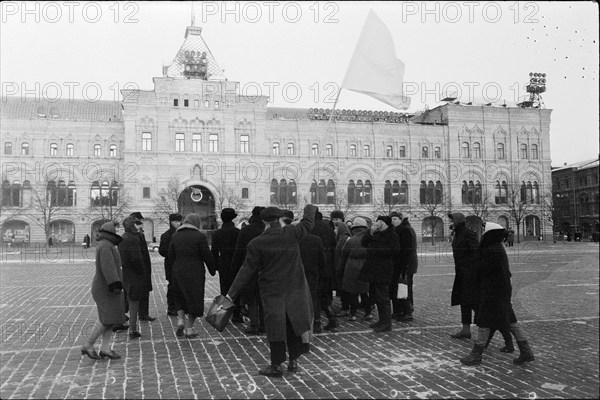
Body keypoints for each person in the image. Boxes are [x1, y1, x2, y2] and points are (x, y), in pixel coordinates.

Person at [227, 204, 316, 377]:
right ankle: (293, 361)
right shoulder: (292, 233)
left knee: (275, 327)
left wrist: (231, 294)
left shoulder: (257, 243)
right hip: (294, 290)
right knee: (293, 324)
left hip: (272, 292)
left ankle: (276, 365)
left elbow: (246, 271)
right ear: (280, 219)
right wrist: (310, 207)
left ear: (264, 222)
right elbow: (308, 222)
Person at [460, 222, 534, 365]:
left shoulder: (492, 250)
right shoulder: (496, 247)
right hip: (501, 291)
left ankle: (476, 354)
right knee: (511, 322)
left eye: (484, 232)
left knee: (484, 321)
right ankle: (526, 351)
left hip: (493, 291)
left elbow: (483, 270)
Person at [81, 221, 125, 360]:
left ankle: (105, 349)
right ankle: (88, 345)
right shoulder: (106, 246)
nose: (118, 231)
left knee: (110, 319)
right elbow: (108, 268)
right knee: (105, 319)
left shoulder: (108, 244)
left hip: (108, 287)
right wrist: (115, 284)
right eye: (116, 229)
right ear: (111, 231)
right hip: (106, 288)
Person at [168, 213, 217, 338]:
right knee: (194, 299)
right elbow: (207, 255)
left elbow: (170, 256)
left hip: (178, 270)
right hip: (195, 271)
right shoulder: (199, 236)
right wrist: (212, 269)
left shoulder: (175, 235)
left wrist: (170, 272)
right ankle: (189, 328)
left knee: (179, 296)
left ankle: (180, 320)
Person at [360, 216, 400, 332]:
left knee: (383, 297)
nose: (378, 224)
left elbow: (395, 250)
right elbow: (364, 242)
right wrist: (370, 231)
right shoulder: (376, 233)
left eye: (380, 222)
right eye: (377, 221)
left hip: (384, 269)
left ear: (385, 223)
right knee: (377, 296)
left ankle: (387, 323)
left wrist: (376, 251)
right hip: (374, 269)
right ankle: (381, 320)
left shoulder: (392, 234)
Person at [231, 206, 266, 334]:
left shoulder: (246, 230)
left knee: (252, 299)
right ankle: (264, 325)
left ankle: (254, 324)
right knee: (263, 298)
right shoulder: (267, 229)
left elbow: (239, 250)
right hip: (266, 268)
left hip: (250, 268)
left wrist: (234, 268)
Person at [448, 213, 480, 340]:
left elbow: (476, 252)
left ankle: (489, 326)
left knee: (474, 302)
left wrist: (470, 267)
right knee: (464, 302)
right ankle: (466, 330)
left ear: (458, 221)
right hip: (461, 273)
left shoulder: (468, 233)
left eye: (452, 220)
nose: (450, 222)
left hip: (470, 274)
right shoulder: (457, 233)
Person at [118, 216, 147, 339]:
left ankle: (124, 324)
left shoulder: (123, 238)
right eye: (136, 224)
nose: (139, 226)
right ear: (131, 225)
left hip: (126, 273)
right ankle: (132, 329)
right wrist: (142, 271)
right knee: (134, 302)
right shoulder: (133, 239)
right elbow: (136, 258)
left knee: (129, 299)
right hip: (134, 275)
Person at [337, 217, 371, 322]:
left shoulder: (351, 240)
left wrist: (339, 269)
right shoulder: (370, 239)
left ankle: (353, 314)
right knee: (364, 292)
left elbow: (343, 256)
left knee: (353, 292)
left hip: (351, 267)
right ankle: (368, 313)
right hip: (366, 267)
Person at [297, 212, 326, 332]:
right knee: (313, 297)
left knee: (299, 299)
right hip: (313, 272)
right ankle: (317, 322)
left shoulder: (295, 239)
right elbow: (322, 259)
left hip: (297, 273)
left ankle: (301, 323)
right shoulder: (316, 239)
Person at [311, 211, 338, 331]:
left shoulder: (310, 227)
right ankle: (332, 320)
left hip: (315, 266)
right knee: (324, 295)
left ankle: (316, 323)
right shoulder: (328, 228)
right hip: (328, 265)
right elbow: (334, 246)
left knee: (315, 295)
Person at [391, 212, 418, 322]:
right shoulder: (400, 229)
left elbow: (407, 249)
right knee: (400, 287)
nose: (393, 221)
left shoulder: (405, 230)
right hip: (402, 263)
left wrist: (404, 265)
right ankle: (401, 310)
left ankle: (407, 311)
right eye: (392, 219)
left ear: (400, 219)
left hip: (406, 264)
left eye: (395, 219)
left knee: (404, 287)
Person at [129, 212, 155, 322]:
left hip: (143, 266)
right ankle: (138, 315)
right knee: (135, 293)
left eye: (141, 222)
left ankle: (143, 313)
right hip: (137, 268)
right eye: (139, 222)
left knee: (144, 291)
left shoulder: (140, 234)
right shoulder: (132, 235)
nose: (141, 224)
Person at [211, 208, 240, 298]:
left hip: (223, 262)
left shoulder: (217, 234)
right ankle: (237, 309)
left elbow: (214, 252)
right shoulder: (238, 232)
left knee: (224, 288)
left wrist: (215, 266)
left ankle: (225, 309)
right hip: (236, 262)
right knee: (236, 288)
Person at [159, 213, 183, 316]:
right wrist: (172, 252)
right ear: (170, 222)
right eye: (175, 222)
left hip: (182, 264)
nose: (177, 224)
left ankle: (181, 306)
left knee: (182, 286)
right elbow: (162, 251)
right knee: (172, 286)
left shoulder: (183, 233)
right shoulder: (166, 235)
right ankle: (172, 307)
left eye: (178, 221)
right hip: (171, 264)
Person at [333, 221, 351, 317]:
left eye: (336, 228)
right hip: (340, 266)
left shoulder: (344, 239)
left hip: (343, 267)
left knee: (344, 289)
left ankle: (345, 308)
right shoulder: (340, 238)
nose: (334, 230)